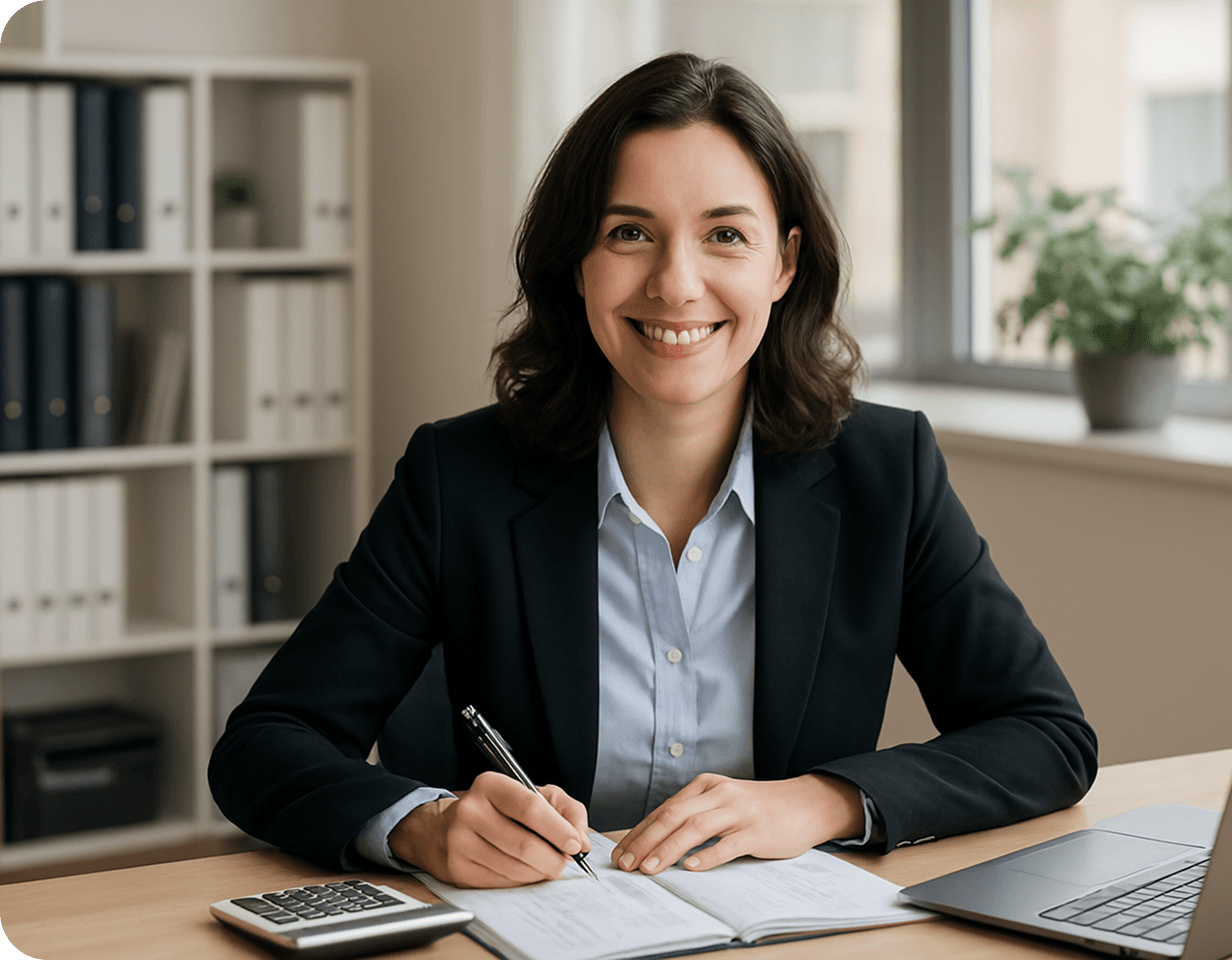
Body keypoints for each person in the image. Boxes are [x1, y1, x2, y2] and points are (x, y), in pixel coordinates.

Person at [209, 52, 1097, 890]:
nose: (676, 285)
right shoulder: (459, 477)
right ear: (579, 263)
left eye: (725, 236)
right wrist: (422, 824)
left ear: (784, 262)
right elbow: (266, 744)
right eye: (631, 232)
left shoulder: (884, 471)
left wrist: (818, 801)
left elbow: (1047, 735)